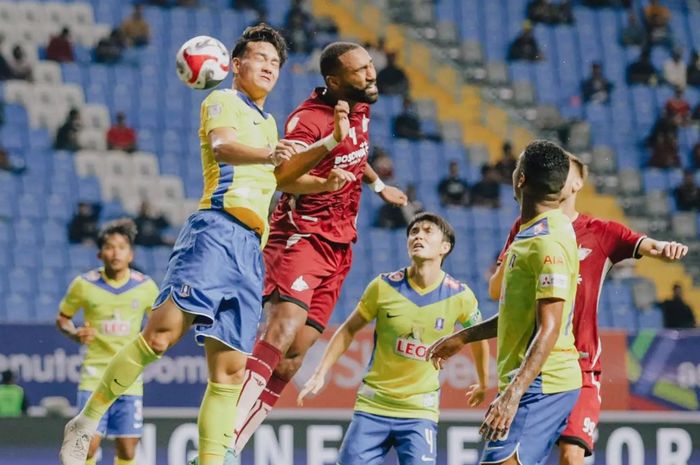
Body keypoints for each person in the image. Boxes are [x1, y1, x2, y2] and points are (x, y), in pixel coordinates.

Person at [59, 24, 350, 465]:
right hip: (215, 232)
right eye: (261, 59)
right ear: (236, 65)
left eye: (276, 63)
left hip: (251, 252)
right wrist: (271, 155)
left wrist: (327, 158)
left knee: (229, 373)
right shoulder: (222, 101)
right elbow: (225, 148)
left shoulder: (269, 123)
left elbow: (282, 177)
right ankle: (87, 420)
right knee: (159, 336)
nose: (270, 67)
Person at [229, 42, 408, 460]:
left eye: (370, 66)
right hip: (301, 236)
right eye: (361, 69)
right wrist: (327, 163)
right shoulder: (308, 121)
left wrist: (378, 186)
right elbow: (283, 177)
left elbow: (355, 152)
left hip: (339, 244)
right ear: (334, 81)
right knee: (283, 327)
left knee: (292, 359)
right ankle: (221, 439)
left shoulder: (359, 105)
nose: (371, 74)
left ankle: (233, 445)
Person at [484, 153, 688, 465]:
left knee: (570, 455)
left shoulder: (602, 231)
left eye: (567, 169)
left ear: (577, 182)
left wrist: (667, 248)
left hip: (580, 365)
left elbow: (650, 246)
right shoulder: (526, 227)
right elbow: (497, 290)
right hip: (537, 364)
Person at [427, 140, 582, 465]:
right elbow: (521, 316)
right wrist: (463, 336)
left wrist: (512, 396)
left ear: (521, 179)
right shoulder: (538, 232)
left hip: (541, 383)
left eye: (516, 167)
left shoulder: (546, 241)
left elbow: (549, 327)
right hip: (537, 381)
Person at [298, 212, 490, 465]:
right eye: (413, 232)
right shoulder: (383, 286)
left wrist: (484, 382)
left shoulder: (460, 296)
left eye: (427, 231)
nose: (418, 235)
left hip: (419, 411)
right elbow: (348, 329)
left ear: (445, 247)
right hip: (373, 407)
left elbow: (478, 336)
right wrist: (320, 371)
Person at [56, 219, 159, 465]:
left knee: (127, 449)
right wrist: (73, 333)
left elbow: (158, 322)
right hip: (94, 374)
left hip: (129, 378)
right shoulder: (84, 284)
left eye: (121, 247)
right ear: (100, 253)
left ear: (131, 253)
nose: (115, 253)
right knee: (88, 446)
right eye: (110, 247)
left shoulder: (145, 287)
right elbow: (63, 318)